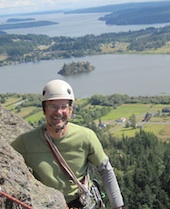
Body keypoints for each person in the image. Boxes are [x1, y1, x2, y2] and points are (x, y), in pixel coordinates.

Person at [11, 79, 124, 209]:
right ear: (44, 110)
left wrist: (117, 206)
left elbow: (105, 169)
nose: (58, 112)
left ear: (70, 110)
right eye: (52, 106)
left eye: (63, 107)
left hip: (82, 202)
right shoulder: (26, 142)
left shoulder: (86, 137)